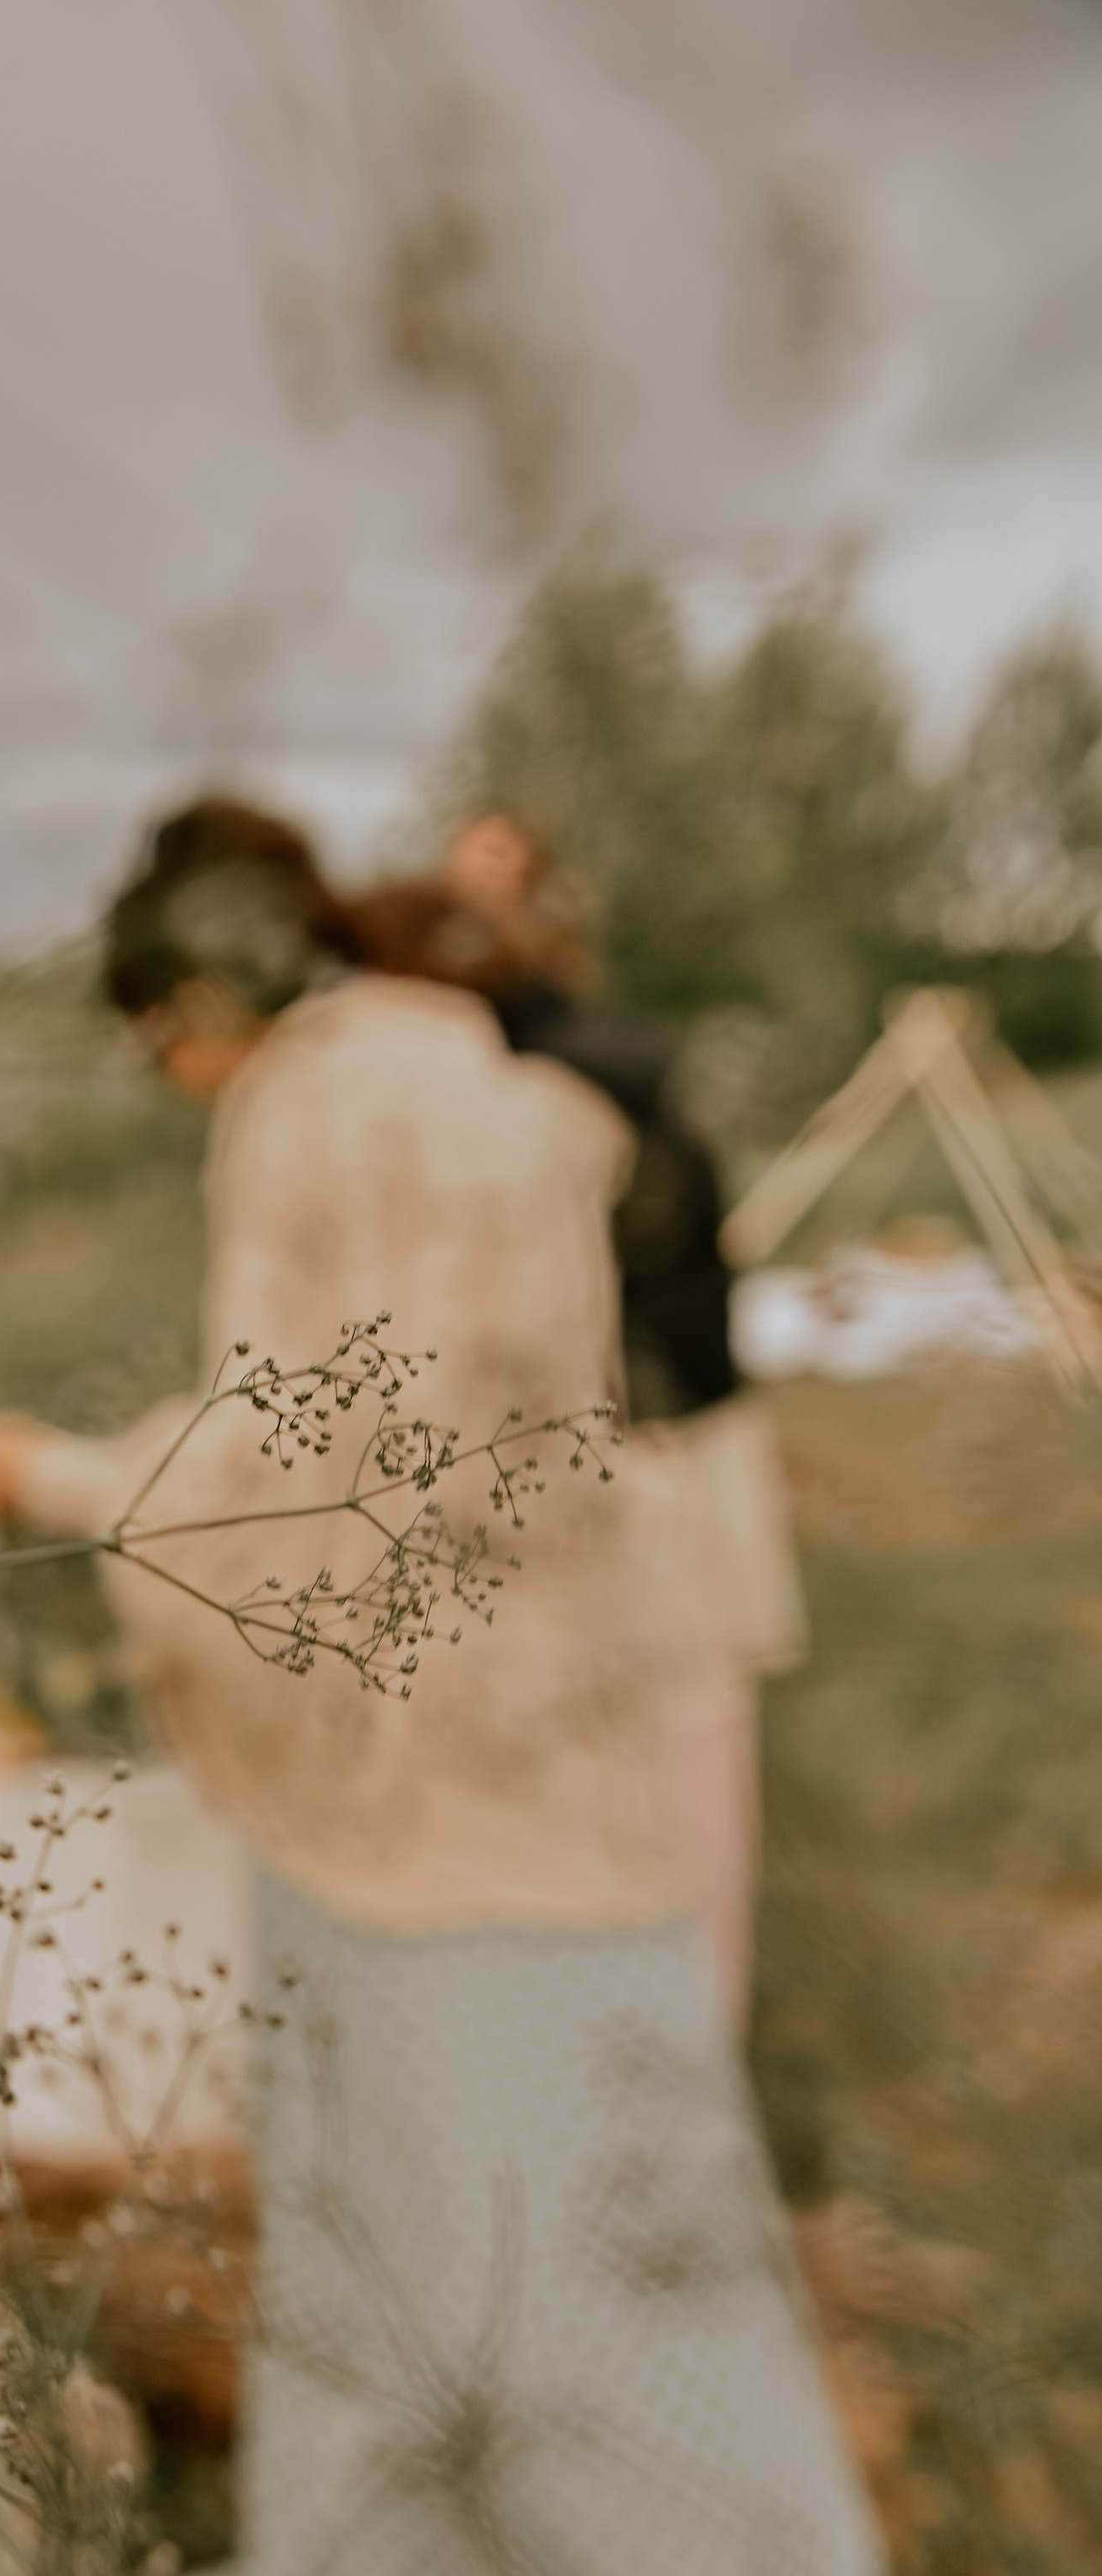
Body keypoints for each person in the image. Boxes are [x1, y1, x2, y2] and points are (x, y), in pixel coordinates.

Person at [0, 799, 889, 2576]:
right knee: (579, 2224)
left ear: (197, 993)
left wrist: (58, 1480)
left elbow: (314, 1500)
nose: (170, 1076)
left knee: (476, 2258)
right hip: (547, 1751)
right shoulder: (464, 1074)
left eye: (156, 1034)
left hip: (427, 1804)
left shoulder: (313, 1112)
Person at [365, 813, 797, 2026]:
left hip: (645, 1448)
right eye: (452, 887)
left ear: (551, 918)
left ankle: (694, 2018)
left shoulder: (586, 1065)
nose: (473, 911)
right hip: (550, 1456)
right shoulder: (453, 1074)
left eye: (499, 885)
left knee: (681, 1740)